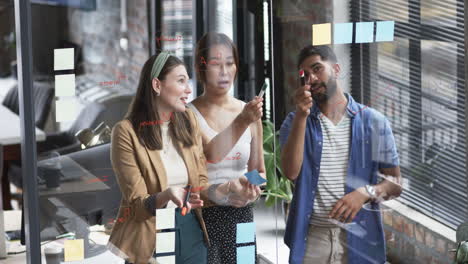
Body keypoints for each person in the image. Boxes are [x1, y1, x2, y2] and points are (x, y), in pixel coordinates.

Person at [107, 52, 258, 264]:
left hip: (191, 231)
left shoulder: (187, 121)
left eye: (188, 81)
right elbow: (136, 208)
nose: (188, 90)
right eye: (180, 81)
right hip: (151, 236)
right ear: (157, 85)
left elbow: (201, 187)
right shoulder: (126, 132)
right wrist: (167, 195)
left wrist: (228, 187)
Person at [280, 45, 403, 264]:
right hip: (312, 239)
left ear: (336, 69)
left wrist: (365, 192)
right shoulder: (295, 121)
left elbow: (395, 184)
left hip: (361, 236)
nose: (311, 79)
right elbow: (291, 173)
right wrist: (301, 116)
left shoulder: (373, 121)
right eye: (304, 75)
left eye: (317, 69)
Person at [188, 32, 265, 264]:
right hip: (201, 220)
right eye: (215, 64)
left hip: (241, 216)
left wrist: (249, 188)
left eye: (230, 63)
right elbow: (197, 171)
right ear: (201, 68)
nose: (224, 71)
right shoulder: (187, 116)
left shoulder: (250, 113)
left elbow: (260, 171)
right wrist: (226, 190)